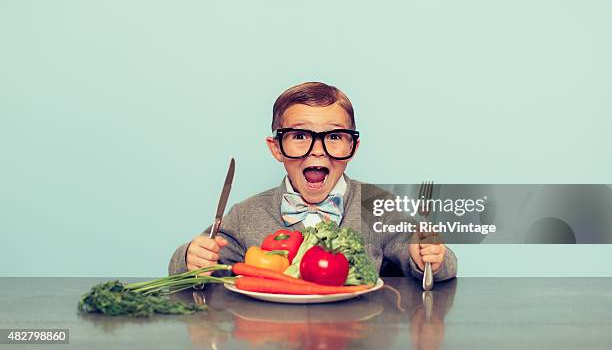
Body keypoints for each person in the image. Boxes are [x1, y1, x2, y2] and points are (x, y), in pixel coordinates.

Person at [168, 82, 457, 281]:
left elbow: (432, 258)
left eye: (333, 137)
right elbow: (195, 262)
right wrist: (190, 259)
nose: (317, 150)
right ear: (276, 147)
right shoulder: (246, 215)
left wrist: (431, 258)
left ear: (353, 148)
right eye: (300, 136)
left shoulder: (376, 205)